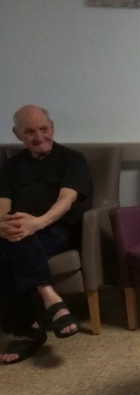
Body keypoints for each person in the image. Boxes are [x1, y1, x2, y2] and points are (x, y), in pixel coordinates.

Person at [0, 106, 92, 364]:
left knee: (16, 239)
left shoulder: (72, 159)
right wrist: (4, 224)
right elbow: (3, 204)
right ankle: (52, 300)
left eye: (43, 129)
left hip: (59, 227)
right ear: (17, 134)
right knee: (11, 239)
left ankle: (27, 331)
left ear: (52, 127)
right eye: (29, 131)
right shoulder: (10, 166)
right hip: (22, 229)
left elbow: (66, 200)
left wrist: (35, 224)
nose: (39, 136)